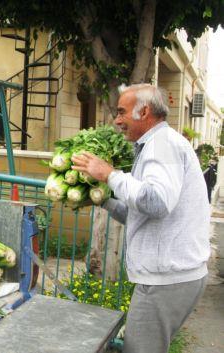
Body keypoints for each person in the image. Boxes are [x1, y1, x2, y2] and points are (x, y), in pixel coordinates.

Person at [71, 84, 210, 353]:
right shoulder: (157, 145)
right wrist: (103, 200)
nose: (117, 120)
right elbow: (142, 213)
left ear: (144, 111)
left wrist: (109, 175)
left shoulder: (163, 145)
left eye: (122, 112)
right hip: (170, 277)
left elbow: (156, 202)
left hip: (166, 280)